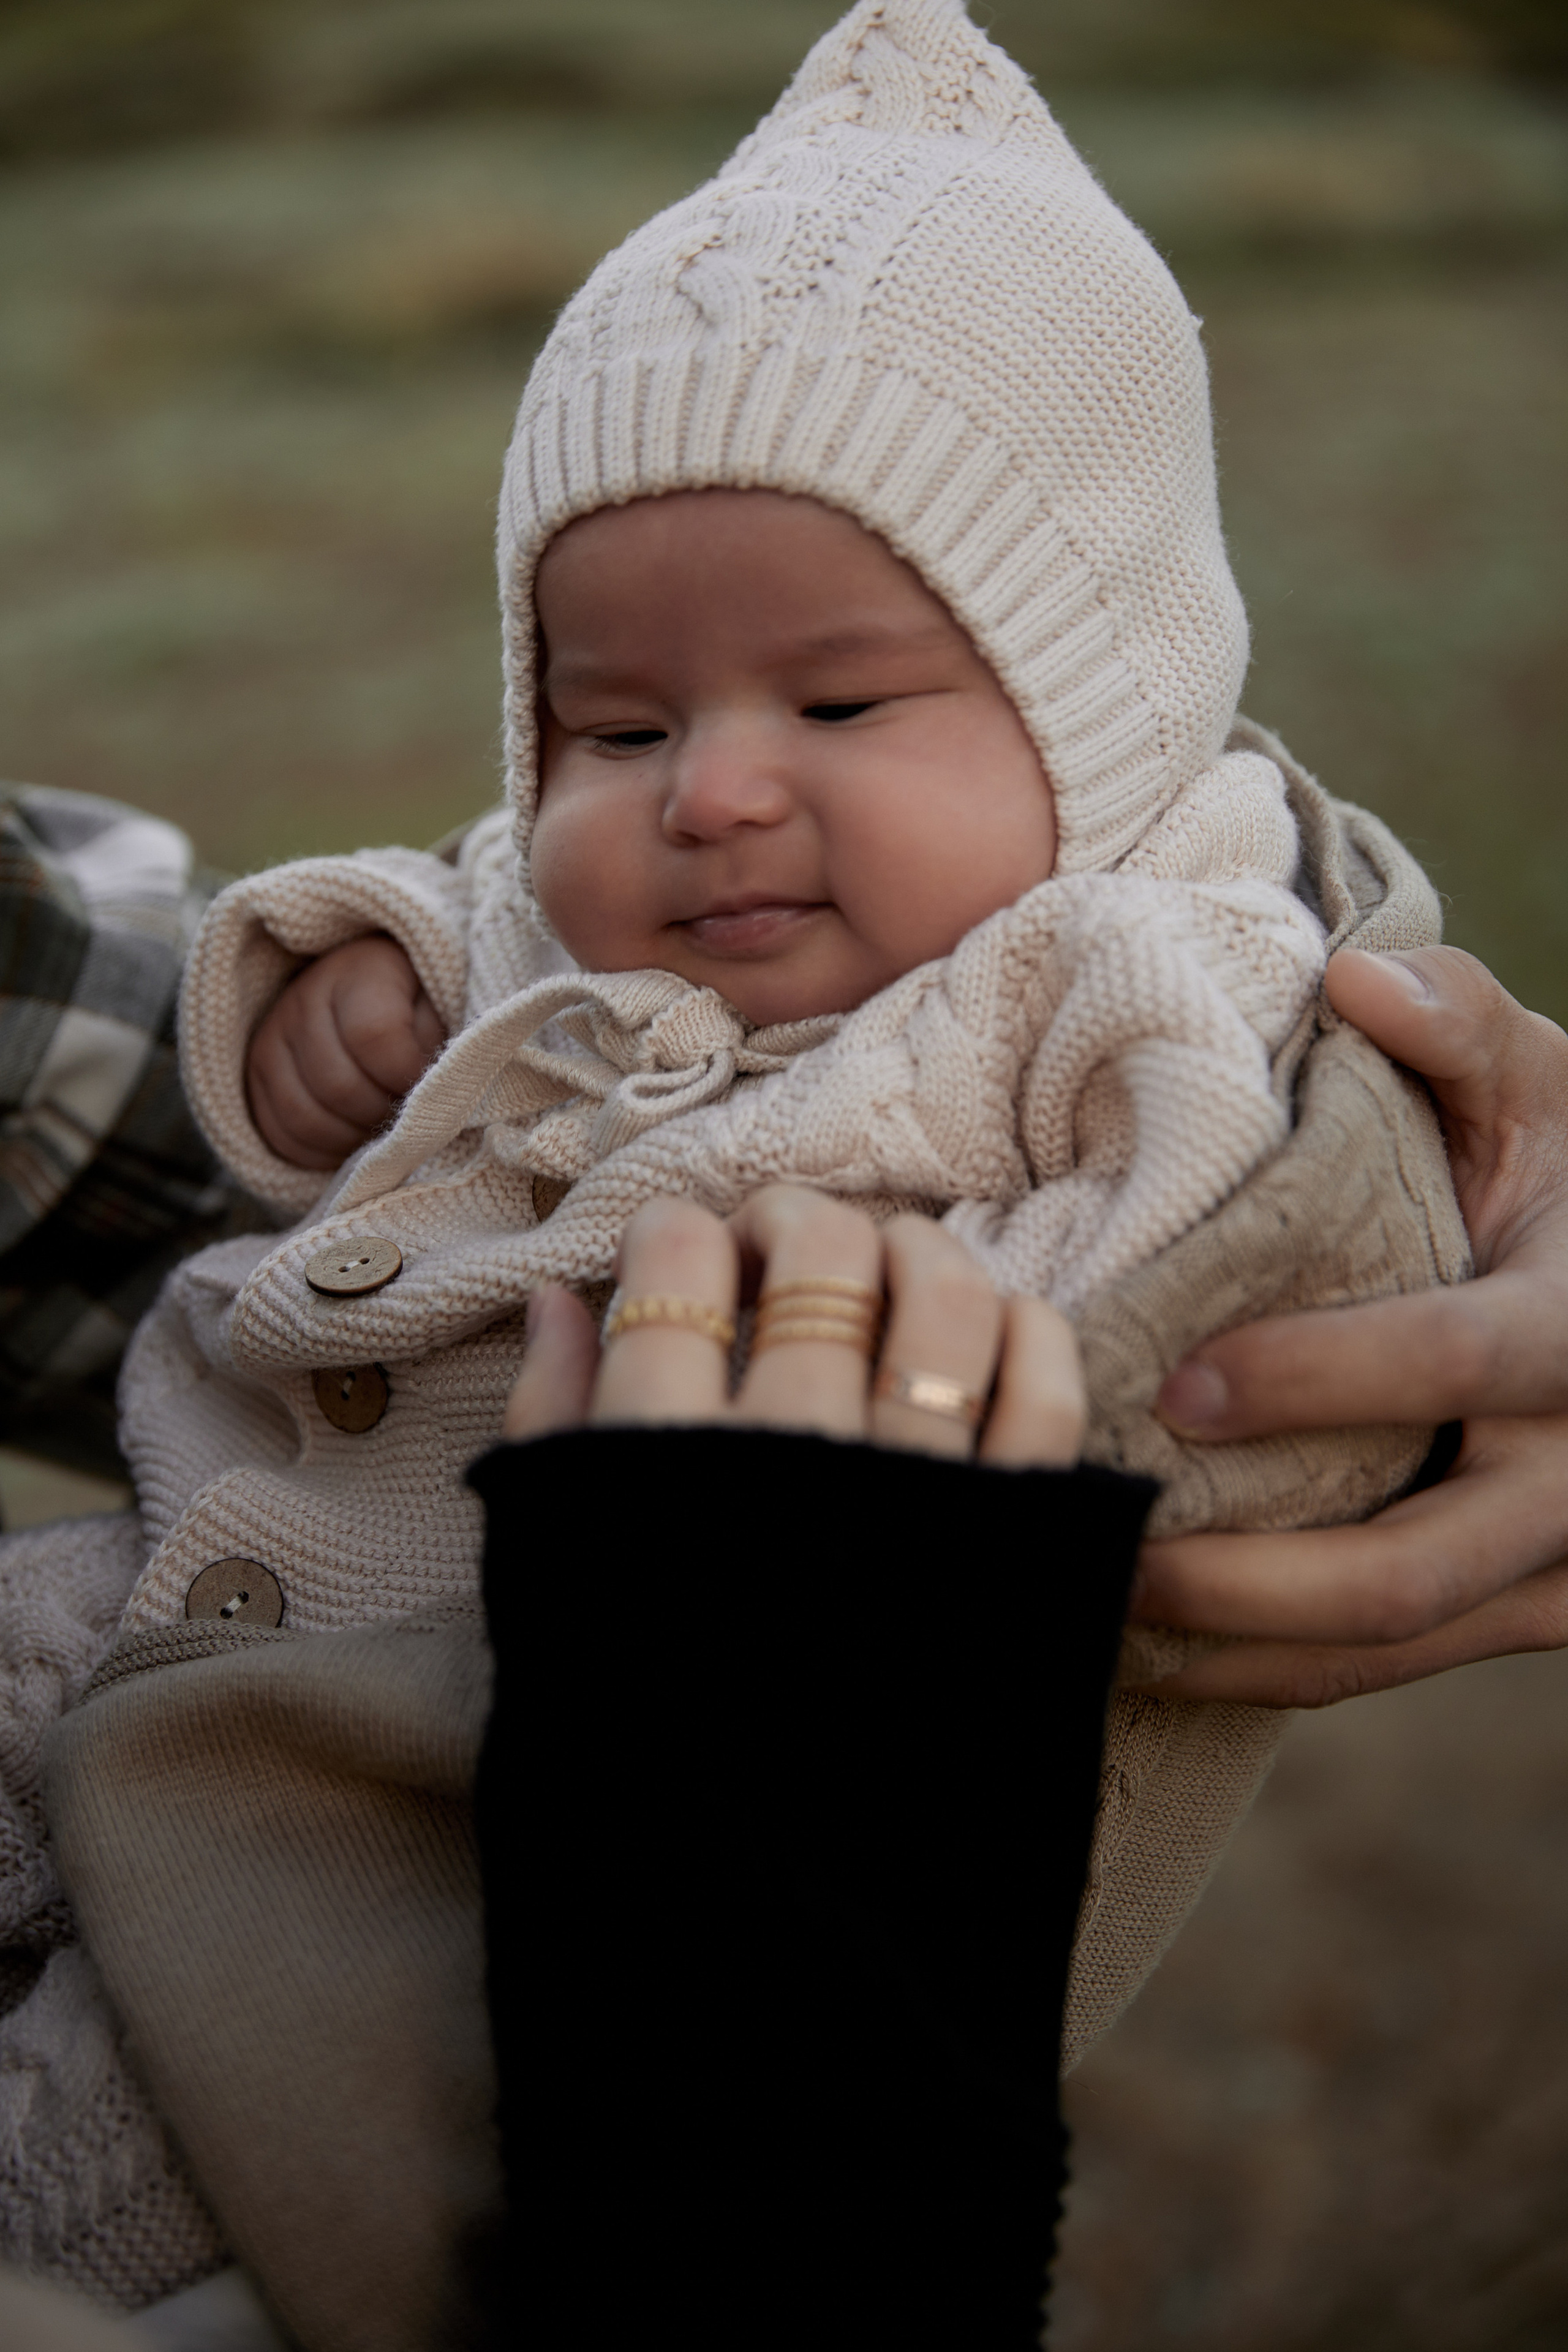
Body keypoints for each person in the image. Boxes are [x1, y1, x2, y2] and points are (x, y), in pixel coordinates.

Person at [0, 0, 1560, 2339]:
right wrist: (347, 980)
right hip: (203, 1580)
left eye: (835, 706)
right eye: (616, 724)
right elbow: (469, 901)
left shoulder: (1146, 979)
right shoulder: (631, 904)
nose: (709, 790)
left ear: (1097, 714)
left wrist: (1384, 1204)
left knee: (200, 2145)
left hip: (586, 1812)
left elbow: (1239, 1313)